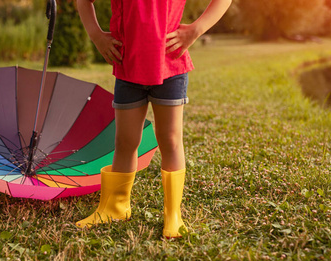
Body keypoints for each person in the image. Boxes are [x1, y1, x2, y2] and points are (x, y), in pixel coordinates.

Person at [75, 0, 232, 238]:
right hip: (128, 66)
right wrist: (96, 36)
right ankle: (116, 207)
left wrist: (196, 30)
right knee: (125, 141)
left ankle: (173, 216)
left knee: (170, 140)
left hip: (170, 66)